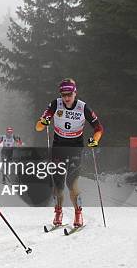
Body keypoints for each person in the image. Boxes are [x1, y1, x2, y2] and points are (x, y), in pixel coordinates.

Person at [35, 78, 104, 228]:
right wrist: (43, 122)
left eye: (69, 94)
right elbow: (38, 127)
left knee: (71, 183)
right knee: (58, 183)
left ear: (75, 93)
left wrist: (95, 140)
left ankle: (78, 214)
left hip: (75, 147)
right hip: (58, 147)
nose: (66, 98)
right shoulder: (55, 104)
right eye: (63, 94)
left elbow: (98, 128)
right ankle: (58, 212)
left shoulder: (83, 107)